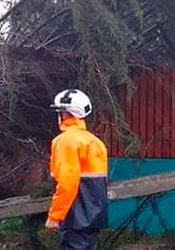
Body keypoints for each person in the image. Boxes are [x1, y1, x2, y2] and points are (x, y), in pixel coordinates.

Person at [46, 89, 108, 250]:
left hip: (75, 216)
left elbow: (67, 183)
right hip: (93, 215)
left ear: (65, 114)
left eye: (59, 111)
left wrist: (55, 216)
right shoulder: (94, 141)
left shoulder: (65, 141)